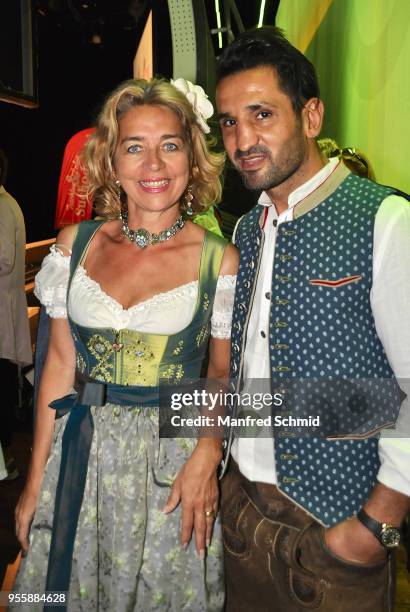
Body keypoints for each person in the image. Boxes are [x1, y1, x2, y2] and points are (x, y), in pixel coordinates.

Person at [12, 77, 238, 611]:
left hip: (169, 464)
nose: (154, 165)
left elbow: (222, 373)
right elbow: (60, 367)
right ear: (113, 162)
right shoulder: (77, 246)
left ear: (192, 157)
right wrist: (33, 483)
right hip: (78, 459)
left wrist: (208, 451)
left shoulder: (217, 260)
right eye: (135, 147)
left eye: (170, 146)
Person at [215, 26, 410, 611]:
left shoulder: (385, 219)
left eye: (262, 114)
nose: (243, 138)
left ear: (312, 115)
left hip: (336, 531)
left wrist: (377, 528)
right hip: (241, 516)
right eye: (227, 121)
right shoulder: (246, 229)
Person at [0, 149, 32, 481]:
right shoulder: (8, 203)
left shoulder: (2, 206)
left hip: (2, 312)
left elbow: (4, 259)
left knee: (2, 385)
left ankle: (5, 456)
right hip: (5, 310)